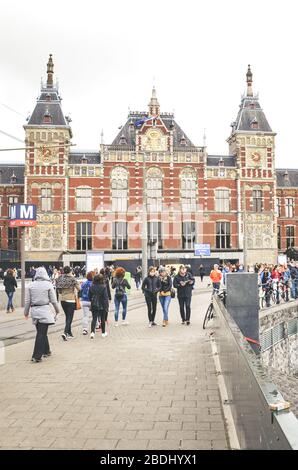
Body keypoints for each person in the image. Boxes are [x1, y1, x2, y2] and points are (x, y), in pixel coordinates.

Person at [24, 267, 59, 362]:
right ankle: (37, 356)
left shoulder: (30, 285)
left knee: (41, 331)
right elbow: (54, 300)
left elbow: (27, 301)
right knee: (42, 333)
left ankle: (46, 350)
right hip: (45, 310)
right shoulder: (48, 285)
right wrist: (57, 310)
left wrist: (26, 313)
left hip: (34, 310)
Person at [56, 266, 81, 341]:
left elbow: (58, 289)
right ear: (70, 271)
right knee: (70, 318)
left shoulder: (60, 278)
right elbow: (79, 289)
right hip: (70, 299)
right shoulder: (72, 278)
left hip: (62, 300)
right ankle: (65, 332)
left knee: (67, 317)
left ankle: (69, 333)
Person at [88, 274, 109, 339]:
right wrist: (106, 306)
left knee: (94, 319)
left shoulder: (91, 286)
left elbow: (89, 296)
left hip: (94, 304)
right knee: (102, 319)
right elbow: (105, 297)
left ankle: (92, 333)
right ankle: (103, 333)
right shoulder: (103, 287)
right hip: (102, 304)